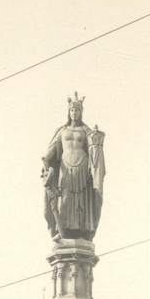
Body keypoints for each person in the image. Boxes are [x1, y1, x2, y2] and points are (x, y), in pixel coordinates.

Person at [42, 93, 105, 240]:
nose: (74, 113)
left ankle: (82, 231)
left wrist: (95, 139)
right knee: (65, 199)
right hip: (66, 169)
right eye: (71, 110)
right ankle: (63, 230)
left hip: (82, 168)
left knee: (81, 201)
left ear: (81, 112)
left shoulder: (86, 131)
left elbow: (93, 150)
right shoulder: (62, 130)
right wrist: (47, 161)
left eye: (76, 110)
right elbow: (51, 151)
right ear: (68, 112)